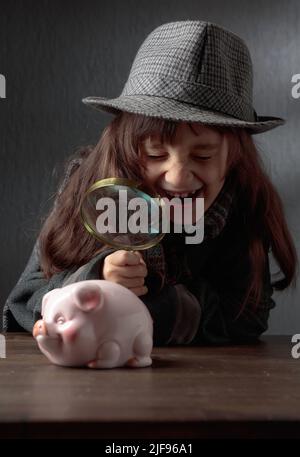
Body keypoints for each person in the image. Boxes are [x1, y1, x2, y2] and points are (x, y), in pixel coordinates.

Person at [3, 20, 298, 345]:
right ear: (128, 147)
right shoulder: (89, 187)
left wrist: (148, 303)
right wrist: (94, 281)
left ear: (233, 158)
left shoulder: (242, 204)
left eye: (203, 156)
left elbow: (249, 317)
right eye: (156, 153)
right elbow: (21, 304)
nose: (177, 177)